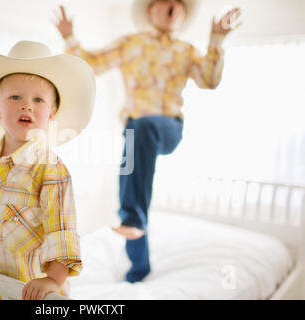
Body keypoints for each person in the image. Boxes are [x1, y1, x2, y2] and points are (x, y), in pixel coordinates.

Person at [55, 0, 241, 283]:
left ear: (182, 16)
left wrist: (216, 40)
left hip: (167, 128)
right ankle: (138, 267)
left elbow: (209, 80)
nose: (172, 8)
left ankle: (132, 220)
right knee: (128, 186)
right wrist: (69, 36)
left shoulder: (186, 51)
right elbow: (91, 64)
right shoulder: (130, 43)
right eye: (165, 3)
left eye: (178, 5)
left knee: (145, 128)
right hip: (133, 133)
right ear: (149, 11)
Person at [0, 40, 96, 299]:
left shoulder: (51, 169)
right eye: (15, 97)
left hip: (28, 289)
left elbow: (61, 228)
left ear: (51, 113)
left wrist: (53, 280)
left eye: (38, 100)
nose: (27, 105)